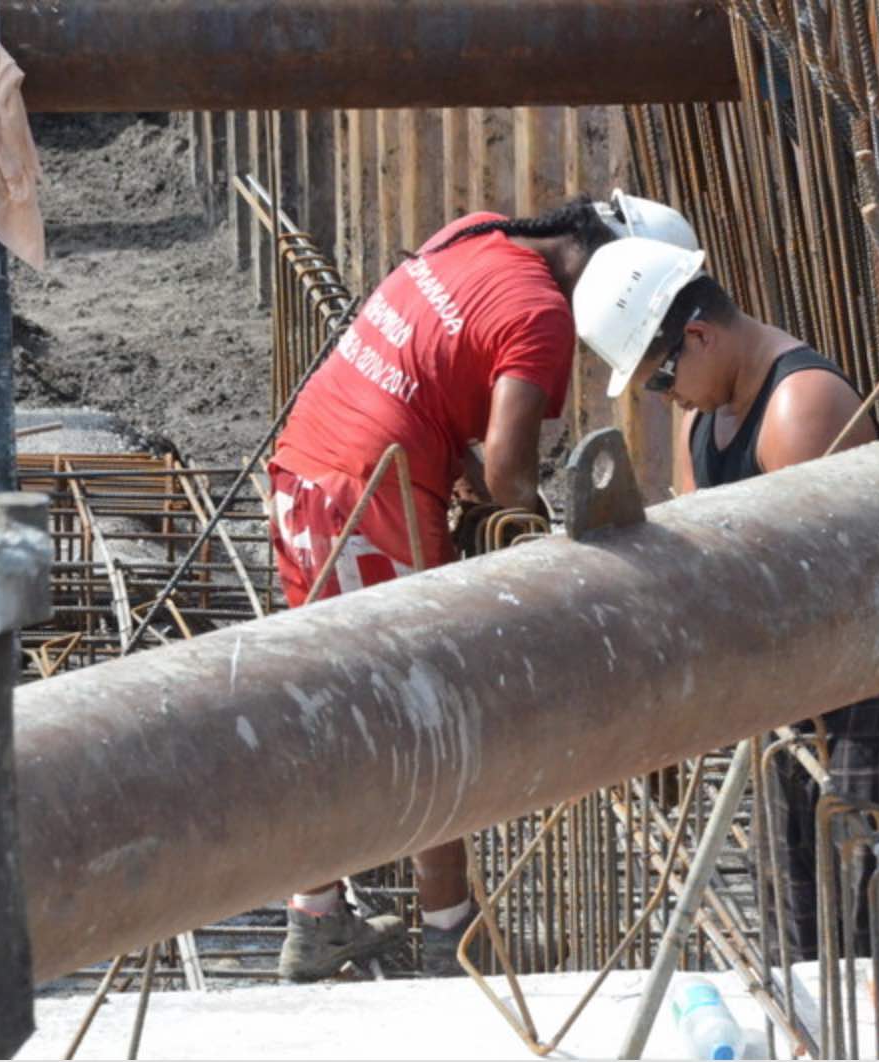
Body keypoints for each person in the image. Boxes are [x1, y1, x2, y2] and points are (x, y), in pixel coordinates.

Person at [267, 195, 698, 982]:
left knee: (331, 703)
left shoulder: (475, 230)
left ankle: (318, 917)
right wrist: (543, 529)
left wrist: (462, 475)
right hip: (375, 495)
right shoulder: (541, 316)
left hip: (307, 470)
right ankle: (449, 935)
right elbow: (509, 473)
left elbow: (423, 373)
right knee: (427, 708)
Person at [572, 237, 879, 959]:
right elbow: (705, 543)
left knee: (875, 911)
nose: (663, 396)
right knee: (796, 912)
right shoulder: (702, 413)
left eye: (661, 378)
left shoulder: (801, 410)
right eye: (652, 386)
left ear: (699, 335)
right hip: (799, 678)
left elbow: (845, 592)